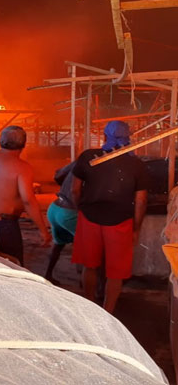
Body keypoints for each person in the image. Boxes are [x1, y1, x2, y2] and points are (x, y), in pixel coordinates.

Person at [71, 120, 148, 313]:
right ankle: (109, 312)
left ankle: (89, 307)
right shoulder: (136, 164)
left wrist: (80, 208)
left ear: (104, 136)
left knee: (89, 266)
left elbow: (75, 189)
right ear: (128, 138)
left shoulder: (89, 156)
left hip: (89, 217)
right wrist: (136, 228)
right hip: (120, 222)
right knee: (116, 273)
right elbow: (140, 201)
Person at [0, 125, 52, 265]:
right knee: (12, 265)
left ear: (0, 141)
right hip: (2, 225)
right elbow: (28, 200)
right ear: (24, 145)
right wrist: (43, 230)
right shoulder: (22, 167)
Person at [44, 161, 78, 284]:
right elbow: (75, 191)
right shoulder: (98, 162)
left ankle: (47, 275)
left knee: (58, 245)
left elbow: (58, 174)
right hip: (69, 213)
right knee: (87, 246)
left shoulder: (81, 159)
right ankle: (90, 283)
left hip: (55, 208)